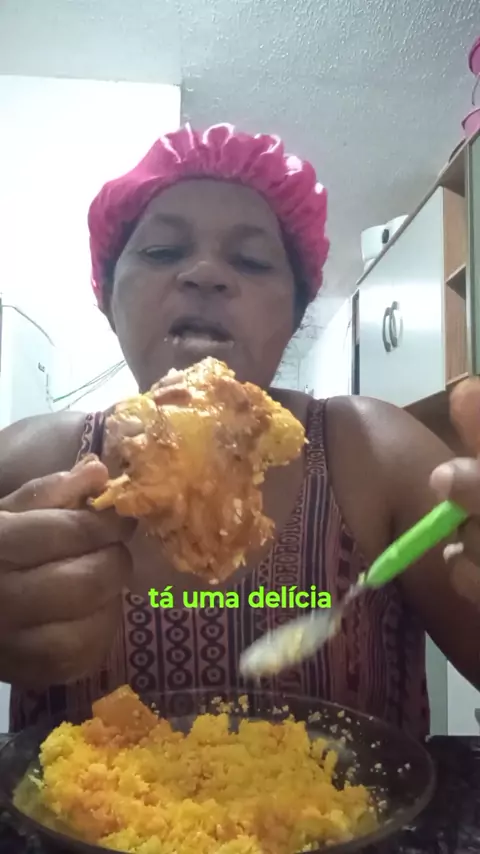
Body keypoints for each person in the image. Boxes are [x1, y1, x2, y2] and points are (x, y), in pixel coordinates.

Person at [1, 123, 480, 739]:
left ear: (296, 311)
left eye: (251, 261)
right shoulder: (31, 460)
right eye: (162, 252)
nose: (205, 273)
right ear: (108, 296)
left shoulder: (374, 450)